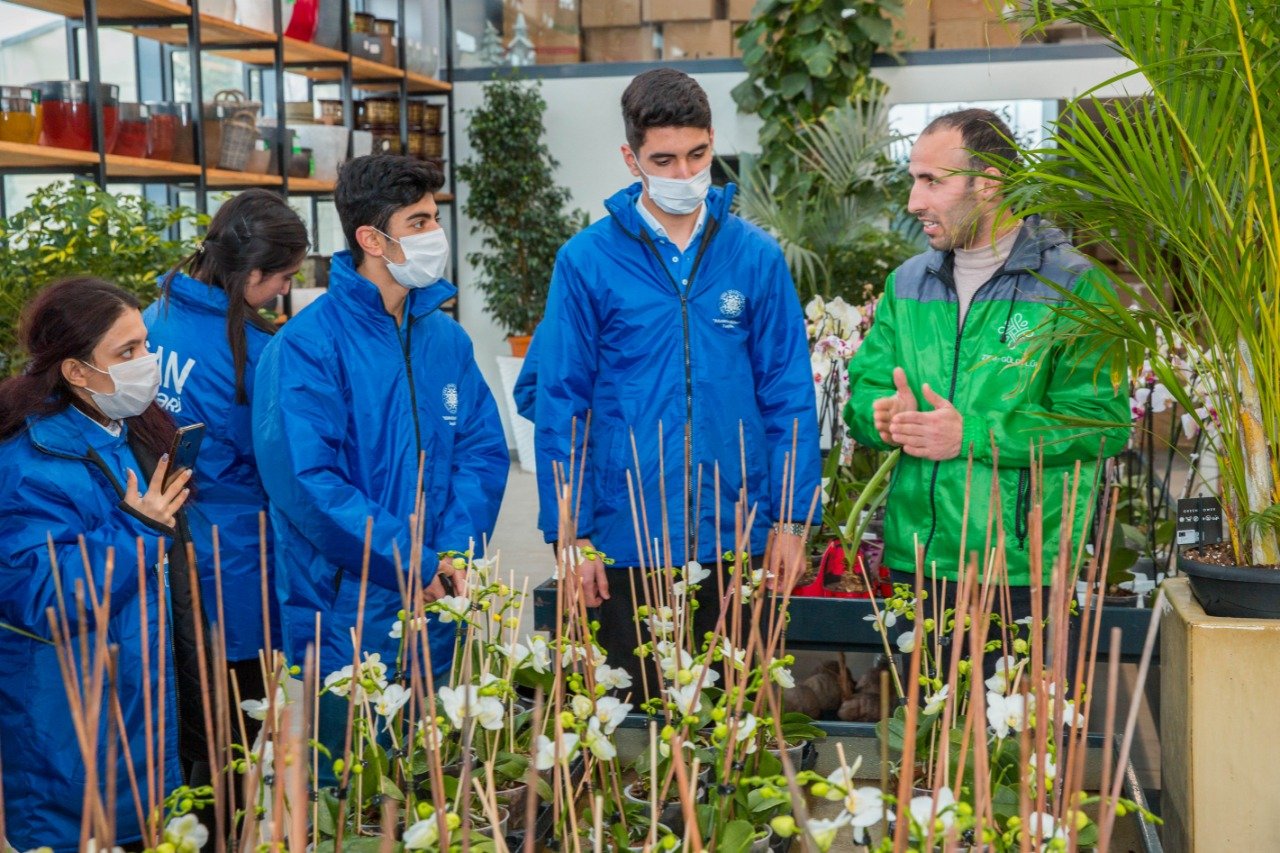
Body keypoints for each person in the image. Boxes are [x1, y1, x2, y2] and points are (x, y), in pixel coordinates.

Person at [525, 68, 820, 691]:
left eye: (697, 155)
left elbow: (788, 396)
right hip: (624, 535)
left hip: (734, 533)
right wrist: (569, 533)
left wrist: (792, 522)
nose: (685, 175)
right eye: (664, 159)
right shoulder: (585, 261)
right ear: (631, 158)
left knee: (734, 720)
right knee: (632, 724)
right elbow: (561, 400)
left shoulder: (756, 256)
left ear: (712, 142)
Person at [252, 155, 509, 752]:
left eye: (434, 218)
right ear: (372, 238)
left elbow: (480, 451)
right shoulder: (307, 348)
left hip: (439, 598)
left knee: (429, 784)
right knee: (348, 798)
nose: (435, 235)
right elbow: (308, 483)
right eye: (419, 222)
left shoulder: (445, 338)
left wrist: (450, 552)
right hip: (347, 611)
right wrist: (409, 563)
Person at [844, 108, 1131, 618]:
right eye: (914, 180)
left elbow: (1099, 423)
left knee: (1019, 701)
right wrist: (883, 415)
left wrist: (970, 435)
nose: (914, 202)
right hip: (916, 559)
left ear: (989, 183)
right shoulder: (906, 284)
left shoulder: (1074, 286)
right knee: (922, 700)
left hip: (1019, 570)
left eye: (932, 181)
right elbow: (865, 390)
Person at [0, 278, 205, 851]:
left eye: (146, 345)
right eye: (127, 352)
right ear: (75, 371)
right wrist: (138, 532)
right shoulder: (28, 464)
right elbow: (42, 598)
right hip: (73, 740)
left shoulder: (125, 435)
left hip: (142, 723)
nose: (148, 363)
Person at [144, 189, 309, 738]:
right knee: (236, 729)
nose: (285, 291)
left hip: (161, 538)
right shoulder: (259, 352)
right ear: (251, 272)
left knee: (182, 716)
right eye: (283, 277)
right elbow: (285, 468)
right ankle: (226, 824)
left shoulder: (154, 315)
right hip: (236, 560)